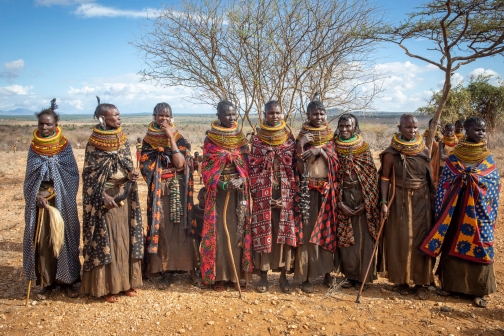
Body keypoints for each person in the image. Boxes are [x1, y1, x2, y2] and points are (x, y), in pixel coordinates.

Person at [420, 117, 500, 308]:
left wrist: (475, 180)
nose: (481, 133)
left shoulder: (487, 157)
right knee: (451, 242)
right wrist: (461, 179)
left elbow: (493, 183)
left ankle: (479, 290)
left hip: (479, 213)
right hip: (455, 210)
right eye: (477, 129)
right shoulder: (455, 157)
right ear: (466, 130)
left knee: (480, 245)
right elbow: (445, 182)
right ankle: (450, 286)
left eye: (483, 130)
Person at [80, 97, 143, 303]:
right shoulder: (93, 144)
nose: (118, 117)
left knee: (124, 238)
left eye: (118, 114)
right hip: (104, 200)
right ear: (102, 119)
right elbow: (89, 176)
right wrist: (103, 196)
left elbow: (127, 164)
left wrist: (131, 175)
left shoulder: (122, 140)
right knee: (107, 240)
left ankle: (126, 283)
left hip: (123, 197)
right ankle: (107, 287)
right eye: (114, 115)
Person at [23, 98, 81, 300]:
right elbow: (30, 176)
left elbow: (71, 175)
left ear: (56, 125)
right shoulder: (34, 147)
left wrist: (51, 191)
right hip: (39, 203)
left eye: (49, 124)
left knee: (65, 238)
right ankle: (47, 283)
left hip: (61, 199)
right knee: (43, 241)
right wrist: (37, 193)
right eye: (41, 123)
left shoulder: (64, 146)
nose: (45, 127)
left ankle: (69, 281)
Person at [140, 102, 199, 288]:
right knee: (163, 227)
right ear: (154, 116)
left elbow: (181, 164)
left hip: (179, 189)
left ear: (171, 117)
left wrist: (170, 138)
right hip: (160, 190)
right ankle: (165, 270)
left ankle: (190, 268)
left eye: (167, 115)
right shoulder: (148, 141)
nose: (164, 119)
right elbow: (145, 167)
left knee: (183, 227)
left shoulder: (179, 138)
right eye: (160, 115)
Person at [379, 114, 435, 300]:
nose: (412, 131)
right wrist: (384, 202)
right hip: (399, 200)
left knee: (421, 239)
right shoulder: (391, 153)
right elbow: (385, 179)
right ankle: (401, 280)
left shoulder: (425, 151)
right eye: (408, 127)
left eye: (415, 127)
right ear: (399, 128)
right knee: (400, 239)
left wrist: (433, 202)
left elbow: (430, 179)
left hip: (422, 200)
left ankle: (421, 282)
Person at [200, 100, 252, 292]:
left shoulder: (240, 138)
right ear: (218, 116)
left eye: (233, 114)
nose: (231, 118)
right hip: (218, 194)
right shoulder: (210, 140)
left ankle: (237, 276)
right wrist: (221, 183)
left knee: (239, 231)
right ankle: (219, 276)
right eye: (227, 115)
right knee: (219, 233)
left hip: (239, 193)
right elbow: (206, 169)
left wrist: (241, 180)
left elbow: (246, 165)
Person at [249, 101, 297, 294]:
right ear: (264, 114)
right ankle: (263, 275)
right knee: (264, 232)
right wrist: (262, 196)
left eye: (277, 112)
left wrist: (287, 196)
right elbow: (252, 168)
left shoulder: (289, 137)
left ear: (282, 113)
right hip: (263, 194)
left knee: (284, 233)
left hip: (285, 191)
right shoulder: (257, 139)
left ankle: (284, 276)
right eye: (271, 113)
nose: (275, 116)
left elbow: (295, 167)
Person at [294, 94, 337, 293]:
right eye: (314, 114)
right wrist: (302, 144)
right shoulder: (302, 136)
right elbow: (298, 168)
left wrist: (322, 151)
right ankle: (306, 277)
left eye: (321, 113)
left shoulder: (331, 137)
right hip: (307, 191)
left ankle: (327, 273)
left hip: (327, 191)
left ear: (326, 115)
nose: (318, 117)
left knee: (326, 231)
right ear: (308, 115)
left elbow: (337, 165)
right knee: (308, 233)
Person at [332, 114, 380, 290]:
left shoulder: (363, 147)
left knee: (364, 239)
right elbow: (331, 177)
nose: (344, 129)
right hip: (342, 197)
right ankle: (350, 277)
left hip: (363, 196)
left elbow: (371, 176)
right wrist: (339, 203)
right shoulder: (333, 147)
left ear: (355, 127)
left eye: (348, 126)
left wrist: (367, 203)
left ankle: (364, 278)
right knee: (346, 241)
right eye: (341, 126)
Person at [424, 118, 442, 188]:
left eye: (440, 124)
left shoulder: (439, 136)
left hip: (439, 162)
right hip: (431, 161)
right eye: (437, 124)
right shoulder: (428, 135)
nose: (439, 126)